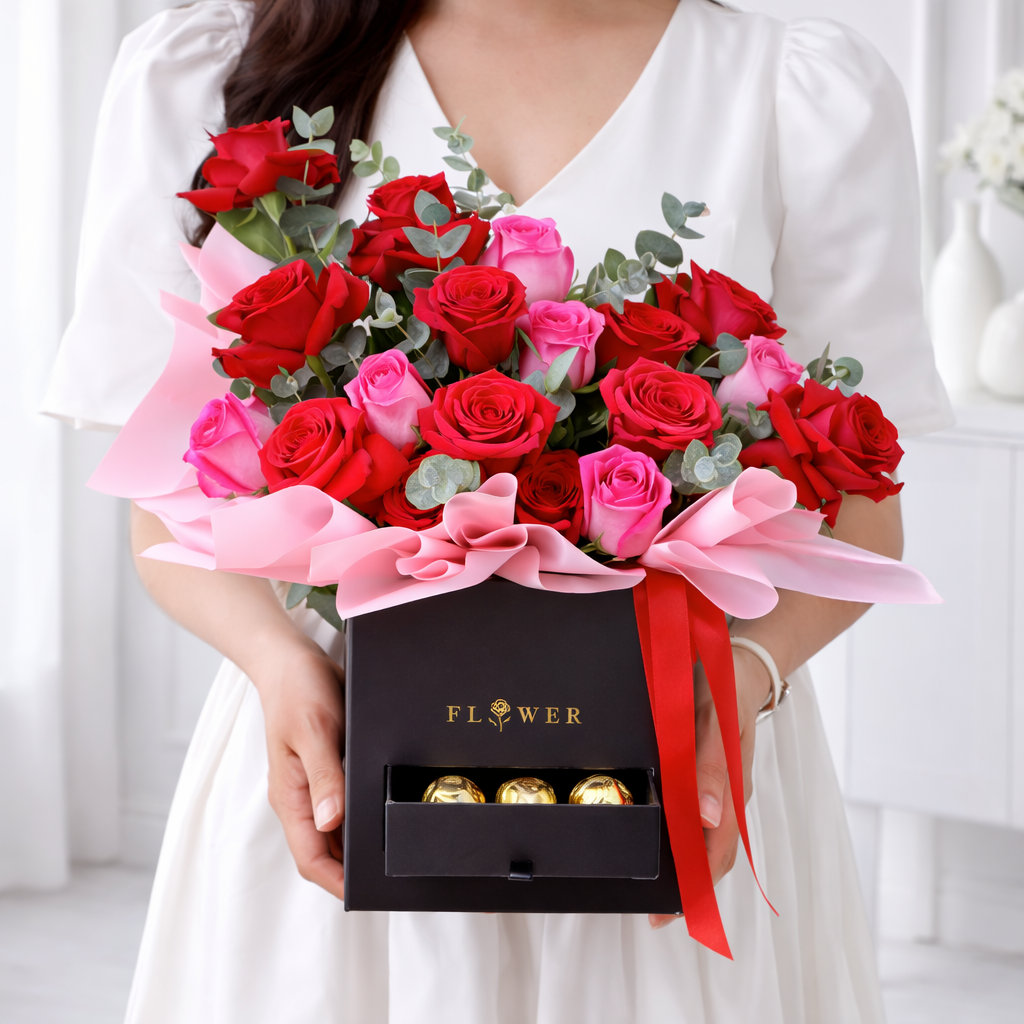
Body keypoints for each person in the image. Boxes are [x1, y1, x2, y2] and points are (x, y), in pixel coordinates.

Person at [43, 1, 953, 1020]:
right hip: (342, 759)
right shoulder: (212, 67)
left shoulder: (797, 90)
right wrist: (276, 662)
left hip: (669, 772)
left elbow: (862, 517)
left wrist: (735, 684)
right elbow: (165, 500)